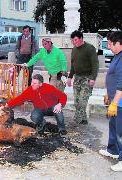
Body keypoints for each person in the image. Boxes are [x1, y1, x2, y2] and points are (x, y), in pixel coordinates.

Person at [1, 74, 67, 135]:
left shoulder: (49, 88)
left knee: (59, 111)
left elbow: (63, 96)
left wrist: (60, 104)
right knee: (34, 116)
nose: (32, 84)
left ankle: (62, 129)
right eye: (32, 82)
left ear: (40, 84)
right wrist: (7, 105)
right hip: (40, 109)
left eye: (34, 83)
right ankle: (42, 124)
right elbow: (19, 99)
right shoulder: (30, 90)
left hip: (52, 107)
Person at [98, 31, 122, 172]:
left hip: (120, 102)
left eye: (112, 44)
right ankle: (112, 149)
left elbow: (121, 83)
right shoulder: (117, 56)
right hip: (114, 100)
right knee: (113, 127)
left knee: (120, 132)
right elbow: (111, 77)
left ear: (119, 43)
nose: (110, 46)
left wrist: (115, 102)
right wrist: (108, 94)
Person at [66, 30, 99, 124]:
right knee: (76, 101)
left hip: (87, 78)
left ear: (81, 38)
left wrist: (93, 78)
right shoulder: (74, 49)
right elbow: (73, 64)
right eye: (73, 40)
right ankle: (84, 119)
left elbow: (95, 64)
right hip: (77, 78)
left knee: (82, 100)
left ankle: (76, 120)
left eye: (76, 40)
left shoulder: (90, 48)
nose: (74, 42)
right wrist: (70, 77)